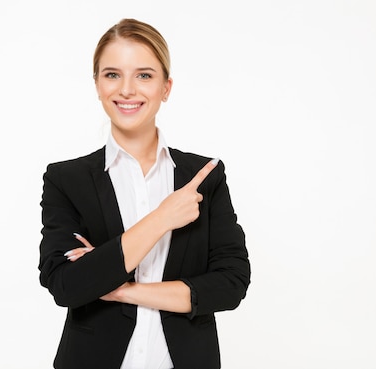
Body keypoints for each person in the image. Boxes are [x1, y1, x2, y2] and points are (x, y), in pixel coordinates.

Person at [38, 18, 251, 369]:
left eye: (144, 75)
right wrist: (162, 218)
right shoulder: (66, 179)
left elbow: (230, 284)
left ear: (166, 87)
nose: (126, 90)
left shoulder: (204, 177)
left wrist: (119, 289)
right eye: (112, 74)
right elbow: (66, 284)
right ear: (96, 85)